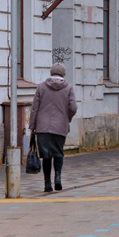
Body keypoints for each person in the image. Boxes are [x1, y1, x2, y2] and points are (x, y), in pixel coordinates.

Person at [29, 63, 77, 193]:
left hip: (43, 127)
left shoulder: (41, 87)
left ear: (51, 73)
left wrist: (32, 126)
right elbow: (73, 108)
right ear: (63, 73)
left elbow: (35, 109)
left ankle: (47, 184)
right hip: (60, 126)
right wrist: (67, 118)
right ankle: (58, 179)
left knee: (46, 155)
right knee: (58, 152)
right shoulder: (68, 88)